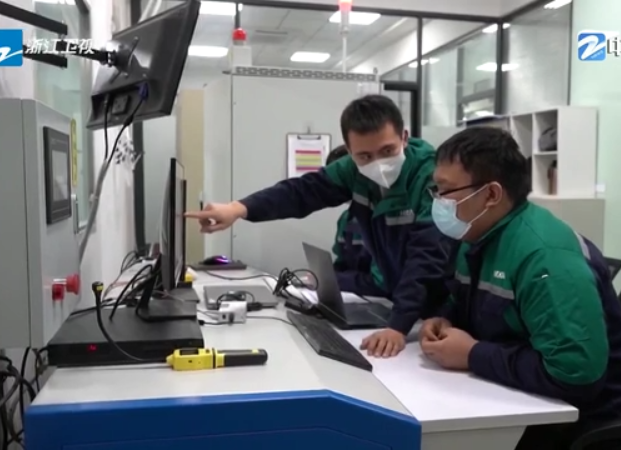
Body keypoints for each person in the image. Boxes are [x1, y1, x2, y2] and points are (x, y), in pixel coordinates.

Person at [419, 127, 621, 449]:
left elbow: (575, 374)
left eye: (446, 191)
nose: (438, 201)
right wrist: (445, 320)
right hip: (523, 402)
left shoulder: (545, 258)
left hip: (592, 425)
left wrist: (472, 355)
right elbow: (473, 303)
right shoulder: (476, 236)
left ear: (491, 194)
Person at [185, 95, 453, 358]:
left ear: (404, 137)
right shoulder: (352, 171)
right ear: (350, 152)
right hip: (401, 306)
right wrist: (238, 208)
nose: (378, 164)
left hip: (441, 304)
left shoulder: (430, 177)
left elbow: (427, 255)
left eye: (387, 151)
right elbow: (301, 192)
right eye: (364, 156)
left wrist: (398, 326)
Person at [325, 145, 387, 298]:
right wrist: (323, 278)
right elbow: (342, 264)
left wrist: (333, 280)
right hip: (356, 298)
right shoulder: (346, 218)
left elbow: (379, 283)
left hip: (384, 301)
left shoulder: (385, 219)